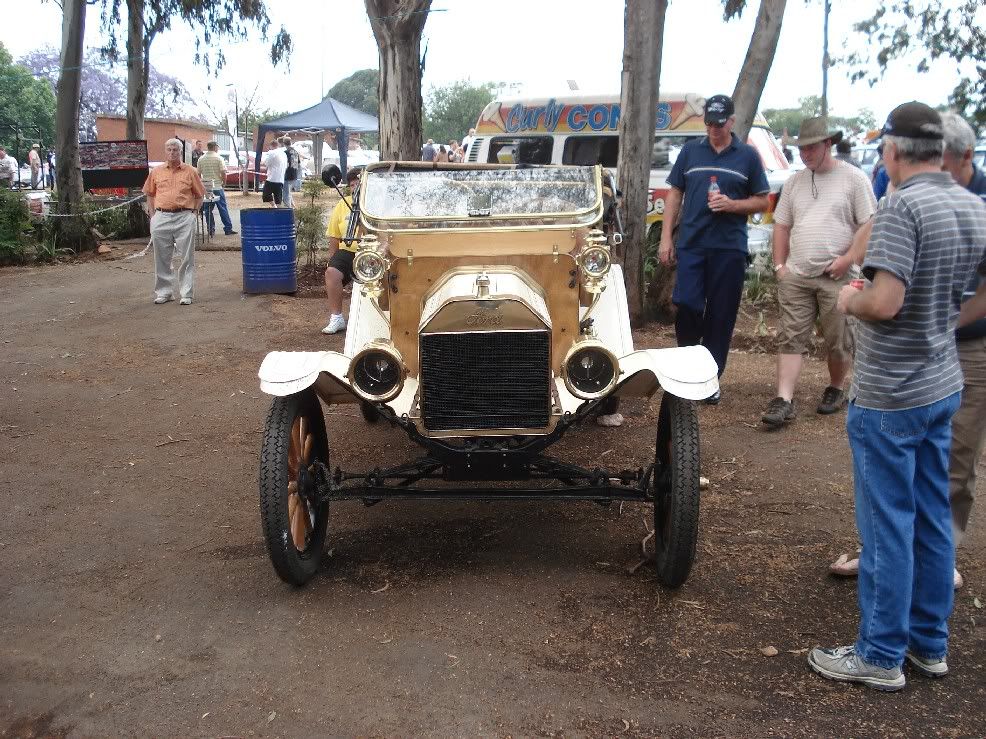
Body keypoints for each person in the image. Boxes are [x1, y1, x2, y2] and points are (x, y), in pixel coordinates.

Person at [808, 102, 986, 691]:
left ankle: (880, 655)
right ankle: (929, 644)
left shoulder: (901, 206)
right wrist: (939, 321)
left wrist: (849, 298)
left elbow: (884, 303)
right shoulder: (970, 204)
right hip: (942, 382)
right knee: (933, 517)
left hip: (891, 394)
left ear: (891, 151)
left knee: (887, 524)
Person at [761, 117, 876, 428]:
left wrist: (848, 258)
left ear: (828, 144)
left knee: (840, 339)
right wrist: (780, 267)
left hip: (840, 276)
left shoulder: (854, 179)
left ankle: (836, 388)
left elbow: (869, 224)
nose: (805, 154)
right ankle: (784, 399)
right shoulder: (796, 182)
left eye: (811, 147)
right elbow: (781, 225)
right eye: (802, 148)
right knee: (790, 336)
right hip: (797, 274)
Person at [658, 94, 770, 404]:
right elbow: (675, 194)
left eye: (719, 124)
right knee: (687, 305)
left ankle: (710, 379)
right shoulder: (691, 151)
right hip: (692, 244)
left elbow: (763, 200)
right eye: (708, 123)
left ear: (732, 122)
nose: (713, 130)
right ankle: (689, 369)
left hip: (728, 248)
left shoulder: (746, 155)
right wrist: (666, 238)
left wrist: (733, 204)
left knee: (721, 316)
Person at [940, 112, 986, 589]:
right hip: (920, 349)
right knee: (902, 451)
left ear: (966, 158)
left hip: (972, 346)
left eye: (942, 161)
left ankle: (942, 551)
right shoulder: (915, 196)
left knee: (960, 452)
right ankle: (885, 549)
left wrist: (948, 323)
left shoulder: (981, 201)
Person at [142, 138, 206, 306]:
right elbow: (149, 193)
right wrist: (153, 215)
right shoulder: (156, 171)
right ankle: (164, 292)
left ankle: (186, 293)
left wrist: (194, 214)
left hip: (184, 216)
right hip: (161, 216)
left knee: (186, 257)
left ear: (181, 152)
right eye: (169, 149)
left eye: (175, 150)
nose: (172, 153)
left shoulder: (190, 171)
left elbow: (199, 195)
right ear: (165, 151)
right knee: (161, 257)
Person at [321, 167, 362, 335]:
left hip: (371, 252)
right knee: (332, 272)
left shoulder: (378, 204)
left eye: (359, 184)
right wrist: (332, 259)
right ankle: (337, 318)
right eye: (352, 185)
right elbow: (334, 236)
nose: (355, 187)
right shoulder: (342, 204)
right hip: (348, 251)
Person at [196, 141, 236, 236]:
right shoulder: (219, 158)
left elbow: (198, 174)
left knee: (208, 210)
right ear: (215, 147)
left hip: (207, 188)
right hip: (218, 186)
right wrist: (224, 183)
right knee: (222, 208)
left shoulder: (201, 159)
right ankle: (228, 228)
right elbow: (223, 173)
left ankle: (211, 230)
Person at [262, 139, 287, 207]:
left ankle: (274, 206)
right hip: (281, 178)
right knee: (278, 197)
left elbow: (265, 163)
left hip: (272, 178)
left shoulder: (272, 153)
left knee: (266, 194)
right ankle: (278, 210)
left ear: (271, 146)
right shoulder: (283, 153)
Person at [281, 136, 302, 208]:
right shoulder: (295, 152)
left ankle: (288, 208)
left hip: (287, 174)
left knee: (286, 193)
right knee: (289, 192)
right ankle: (293, 206)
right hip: (294, 174)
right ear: (291, 142)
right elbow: (299, 164)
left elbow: (285, 164)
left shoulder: (285, 153)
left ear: (284, 144)